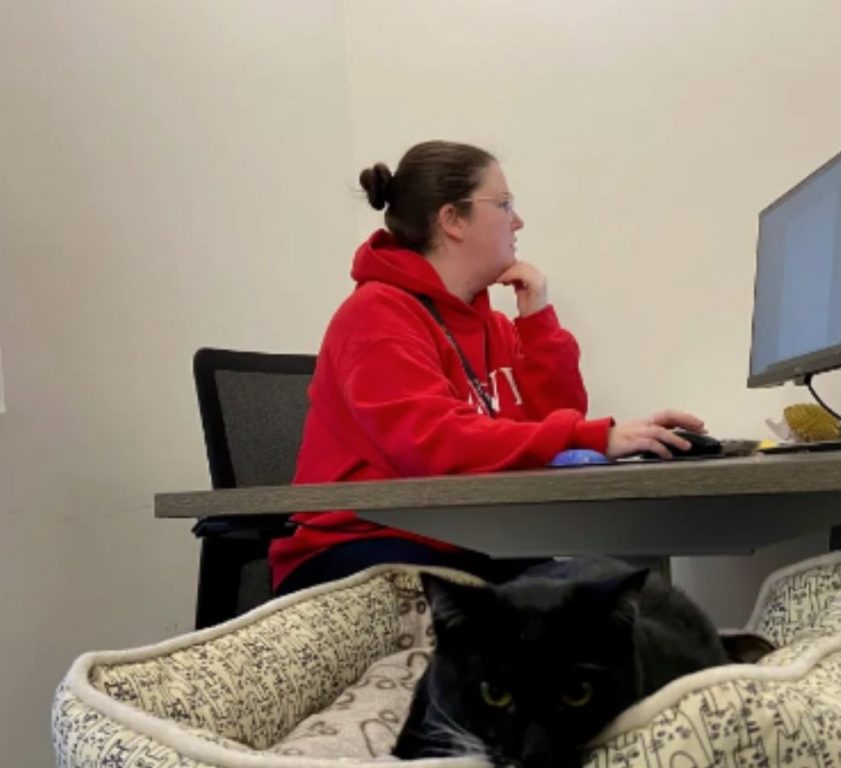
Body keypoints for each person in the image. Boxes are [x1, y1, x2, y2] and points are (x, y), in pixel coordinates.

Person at [270, 141, 705, 596]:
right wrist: (593, 436)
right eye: (503, 204)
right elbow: (434, 444)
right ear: (452, 219)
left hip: (467, 536)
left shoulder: (489, 326)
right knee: (590, 609)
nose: (518, 221)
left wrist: (537, 321)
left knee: (621, 596)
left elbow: (553, 425)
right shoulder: (376, 316)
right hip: (361, 546)